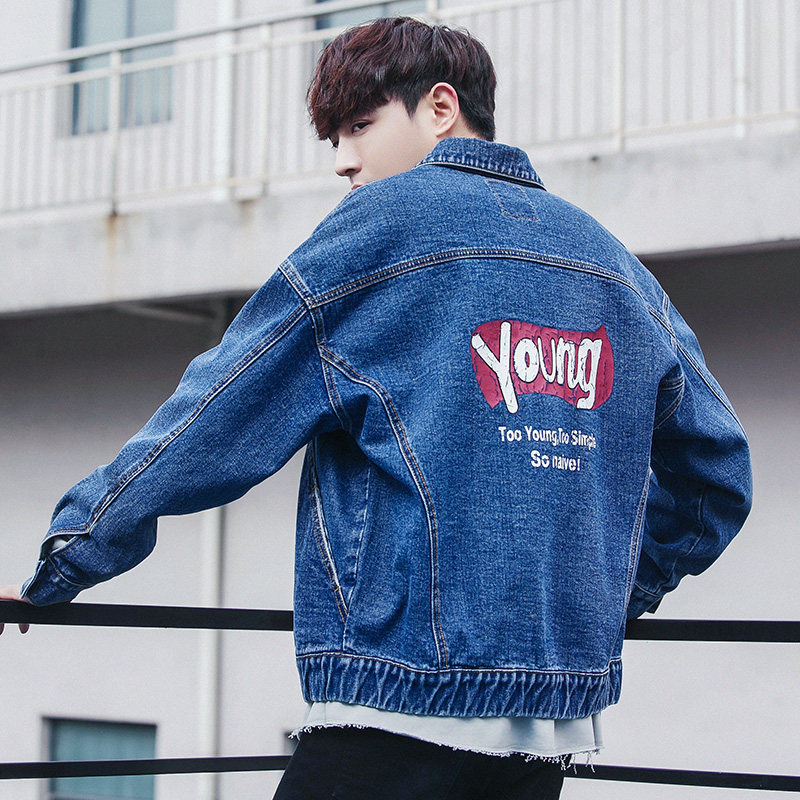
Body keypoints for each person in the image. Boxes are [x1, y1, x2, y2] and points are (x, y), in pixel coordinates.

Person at [1, 16, 752, 800]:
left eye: (360, 126)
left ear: (440, 107)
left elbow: (214, 413)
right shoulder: (610, 260)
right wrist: (607, 600)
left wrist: (68, 556)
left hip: (393, 704)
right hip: (549, 729)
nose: (343, 160)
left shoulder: (378, 231)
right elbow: (718, 474)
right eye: (334, 139)